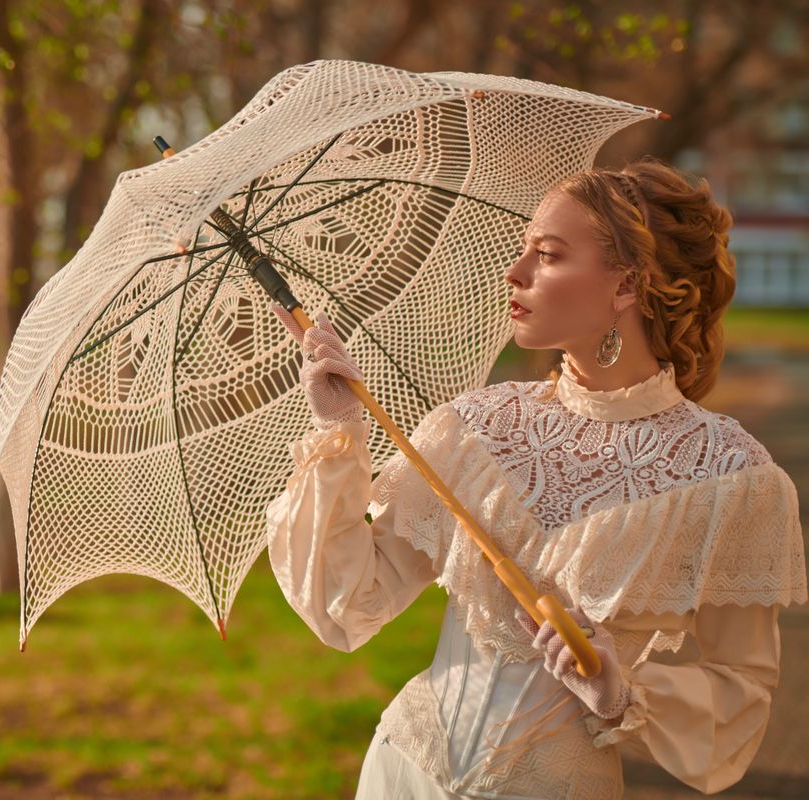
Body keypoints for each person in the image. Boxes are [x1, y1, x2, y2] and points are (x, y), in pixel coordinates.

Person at [266, 157, 807, 799]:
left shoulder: (731, 479)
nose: (515, 272)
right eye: (525, 250)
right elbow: (350, 603)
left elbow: (741, 694)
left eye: (548, 255)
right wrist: (340, 434)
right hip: (405, 773)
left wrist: (621, 692)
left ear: (627, 286)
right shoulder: (473, 430)